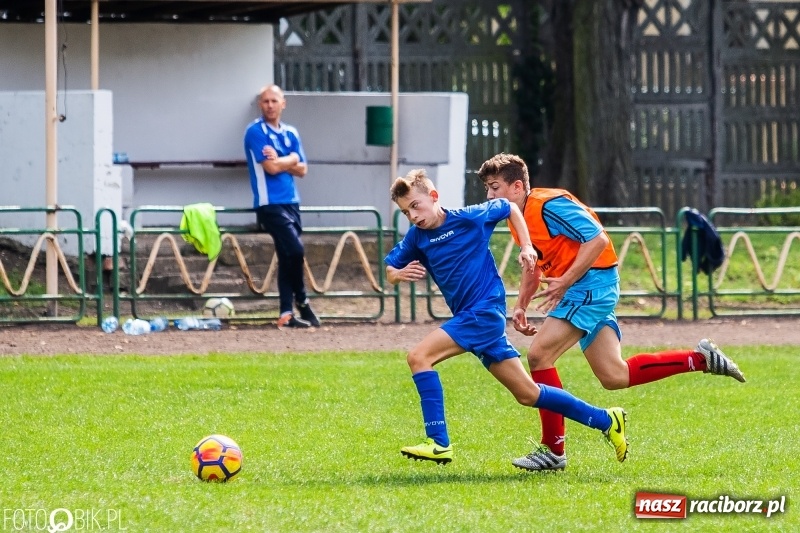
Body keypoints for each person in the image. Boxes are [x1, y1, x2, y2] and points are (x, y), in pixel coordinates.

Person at [477, 153, 746, 472]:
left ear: (517, 186)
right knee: (614, 376)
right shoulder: (516, 216)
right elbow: (533, 263)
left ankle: (553, 450)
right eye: (487, 189)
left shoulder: (548, 205)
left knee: (539, 356)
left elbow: (597, 239)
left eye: (495, 187)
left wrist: (564, 281)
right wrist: (521, 305)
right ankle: (701, 359)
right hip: (584, 285)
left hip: (591, 283)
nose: (489, 196)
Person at [385, 169, 629, 466]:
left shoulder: (470, 217)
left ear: (434, 197)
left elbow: (510, 207)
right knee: (527, 394)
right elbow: (390, 268)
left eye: (415, 206)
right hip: (469, 316)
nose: (412, 215)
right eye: (405, 211)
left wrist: (527, 247)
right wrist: (397, 275)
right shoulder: (417, 238)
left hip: (484, 312)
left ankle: (438, 442)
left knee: (418, 358)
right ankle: (606, 420)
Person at [244, 84, 320, 329]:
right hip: (270, 203)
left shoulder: (290, 133)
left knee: (288, 256)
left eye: (274, 101)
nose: (270, 105)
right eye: (265, 101)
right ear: (260, 104)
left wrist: (286, 158)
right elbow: (271, 168)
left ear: (283, 103)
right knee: (295, 251)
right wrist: (291, 159)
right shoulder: (255, 132)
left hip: (291, 201)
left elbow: (303, 169)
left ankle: (286, 313)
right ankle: (303, 300)